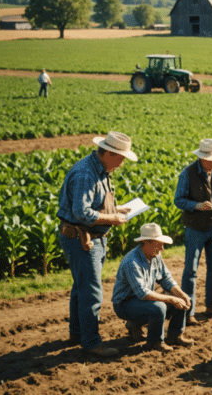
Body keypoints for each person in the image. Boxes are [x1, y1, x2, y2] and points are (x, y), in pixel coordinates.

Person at [57, 131, 137, 357]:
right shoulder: (86, 173)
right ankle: (91, 342)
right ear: (109, 153)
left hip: (90, 237)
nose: (121, 164)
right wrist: (113, 219)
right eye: (120, 158)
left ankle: (77, 333)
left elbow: (93, 203)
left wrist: (117, 209)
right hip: (81, 238)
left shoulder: (100, 168)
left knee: (81, 287)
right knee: (92, 292)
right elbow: (81, 212)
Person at [174, 139, 212, 325]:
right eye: (209, 159)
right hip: (195, 228)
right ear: (201, 157)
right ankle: (189, 312)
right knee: (191, 272)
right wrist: (197, 205)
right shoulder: (188, 173)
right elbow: (179, 200)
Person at [112, 223, 194, 352]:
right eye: (159, 243)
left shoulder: (155, 256)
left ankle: (175, 335)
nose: (162, 248)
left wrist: (181, 295)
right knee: (159, 307)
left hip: (141, 300)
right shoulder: (132, 262)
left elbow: (166, 279)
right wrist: (171, 299)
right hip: (125, 304)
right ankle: (154, 342)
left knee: (181, 298)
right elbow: (143, 293)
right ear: (146, 243)